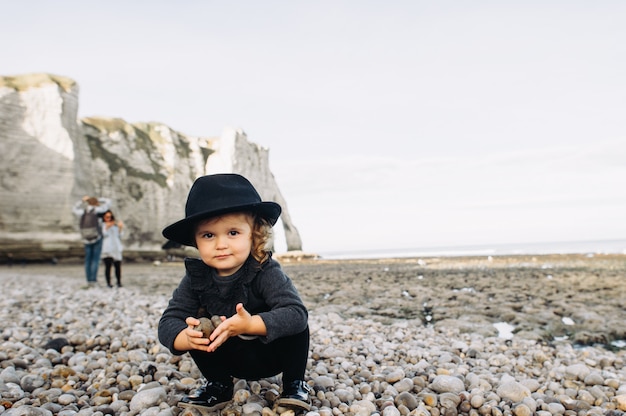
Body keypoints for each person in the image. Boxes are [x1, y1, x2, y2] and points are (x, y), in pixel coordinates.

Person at [158, 174, 311, 413]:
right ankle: (218, 384)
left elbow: (297, 314)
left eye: (233, 233)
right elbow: (168, 321)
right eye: (209, 235)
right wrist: (184, 337)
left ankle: (294, 384)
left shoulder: (265, 269)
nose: (221, 244)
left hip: (271, 354)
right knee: (198, 325)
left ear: (254, 234)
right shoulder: (195, 278)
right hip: (226, 358)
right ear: (197, 242)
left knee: (295, 320)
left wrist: (251, 324)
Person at [72, 196, 111, 286]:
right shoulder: (97, 210)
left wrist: (82, 201)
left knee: (88, 259)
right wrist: (99, 199)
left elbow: (74, 209)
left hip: (86, 238)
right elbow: (109, 202)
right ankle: (93, 280)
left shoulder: (83, 211)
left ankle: (88, 279)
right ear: (96, 203)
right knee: (95, 259)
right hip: (97, 237)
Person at [101, 210, 125, 288]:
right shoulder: (102, 225)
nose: (109, 219)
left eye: (110, 217)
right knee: (108, 266)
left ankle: (119, 282)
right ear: (104, 218)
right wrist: (107, 227)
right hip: (107, 248)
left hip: (116, 247)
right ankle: (108, 283)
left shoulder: (115, 226)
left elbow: (120, 236)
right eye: (107, 217)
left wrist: (120, 228)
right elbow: (103, 235)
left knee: (117, 266)